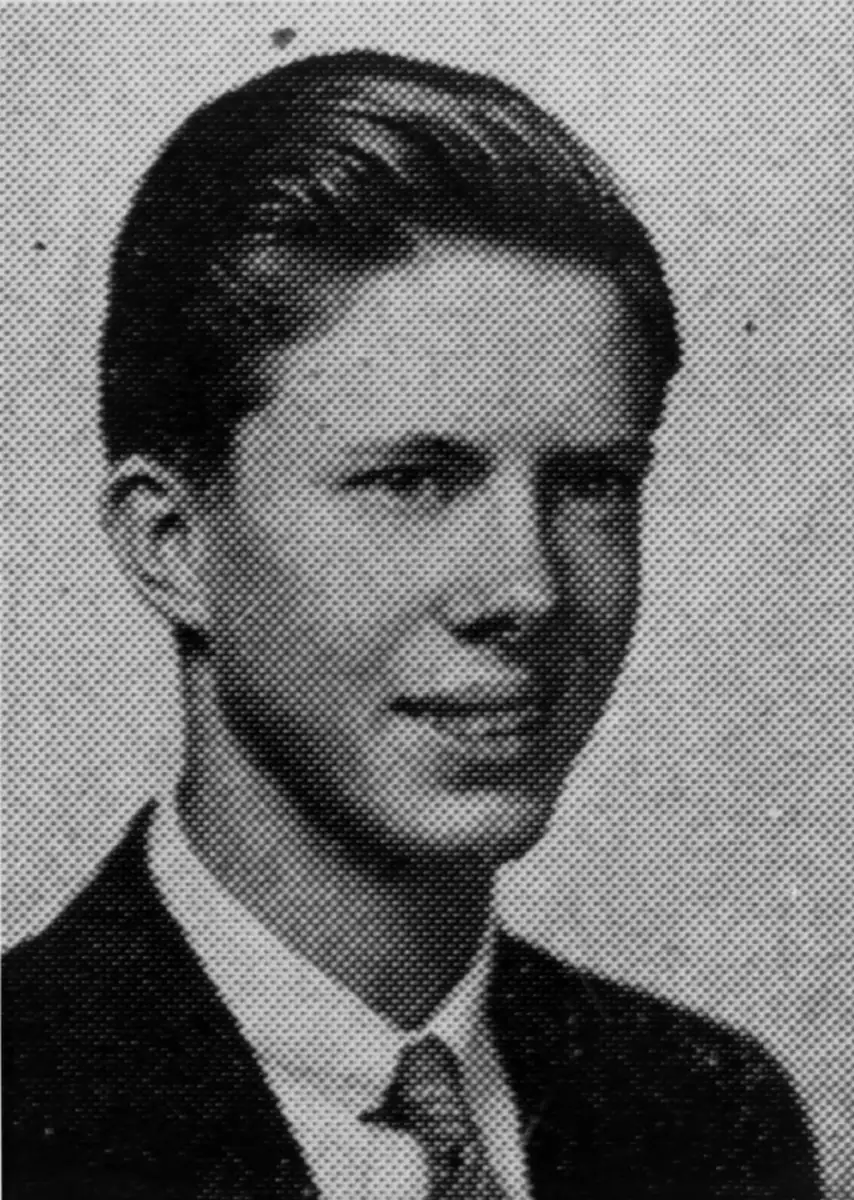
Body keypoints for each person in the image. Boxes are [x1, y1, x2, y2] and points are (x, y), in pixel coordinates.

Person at [3, 49, 820, 1200]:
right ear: (170, 545)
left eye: (591, 485)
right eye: (412, 482)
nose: (526, 591)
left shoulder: (707, 1114)